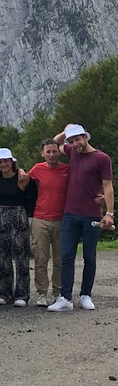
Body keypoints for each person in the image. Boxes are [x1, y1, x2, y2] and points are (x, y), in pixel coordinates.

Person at [48, 124, 114, 312]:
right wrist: (66, 129)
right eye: (71, 140)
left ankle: (86, 295)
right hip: (70, 214)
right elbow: (56, 142)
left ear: (85, 137)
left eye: (77, 139)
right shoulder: (72, 152)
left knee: (89, 257)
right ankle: (65, 298)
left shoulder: (101, 158)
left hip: (92, 214)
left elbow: (108, 186)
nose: (74, 144)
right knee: (66, 256)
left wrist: (110, 213)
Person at [0, 148, 36, 307]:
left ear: (12, 161)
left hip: (19, 216)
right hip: (0, 216)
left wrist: (29, 218)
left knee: (22, 256)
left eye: (6, 161)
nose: (3, 164)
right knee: (2, 256)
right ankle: (5, 293)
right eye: (0, 162)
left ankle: (22, 295)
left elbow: (32, 197)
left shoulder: (22, 177)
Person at [27, 139, 69, 306]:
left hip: (61, 219)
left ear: (59, 152)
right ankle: (42, 293)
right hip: (40, 218)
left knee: (60, 259)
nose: (51, 155)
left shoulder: (67, 169)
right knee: (40, 258)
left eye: (54, 151)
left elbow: (82, 184)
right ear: (42, 153)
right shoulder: (38, 169)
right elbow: (22, 182)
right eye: (48, 152)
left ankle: (58, 292)